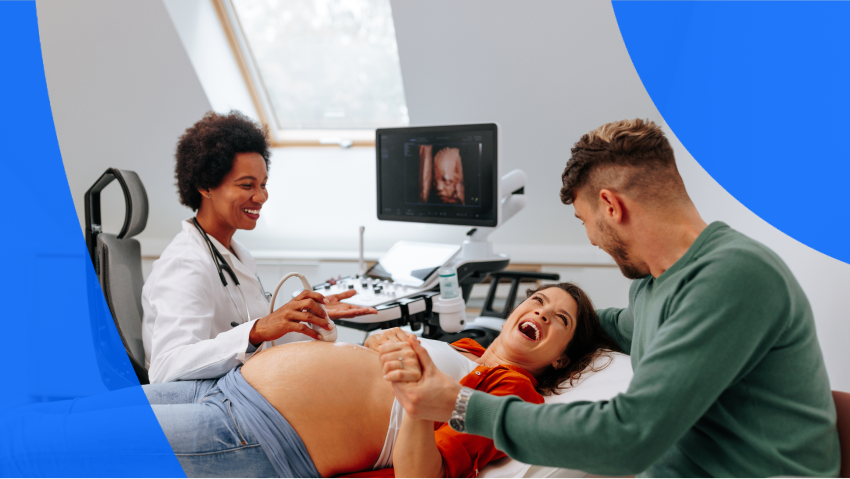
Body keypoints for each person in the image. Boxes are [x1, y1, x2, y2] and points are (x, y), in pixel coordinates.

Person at [382, 119, 841, 478]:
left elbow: (629, 436)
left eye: (585, 221)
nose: (592, 240)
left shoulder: (733, 277)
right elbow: (604, 322)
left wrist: (459, 403)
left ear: (611, 206)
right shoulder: (653, 287)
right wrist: (542, 321)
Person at [0, 283, 619, 479]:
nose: (537, 311)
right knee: (60, 418)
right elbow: (377, 358)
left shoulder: (511, 394)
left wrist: (413, 396)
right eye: (536, 300)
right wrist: (379, 341)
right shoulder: (465, 350)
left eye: (558, 319)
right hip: (225, 386)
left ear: (564, 357)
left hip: (256, 435)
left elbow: (422, 473)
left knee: (47, 448)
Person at [142, 111, 376, 384]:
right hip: (211, 400)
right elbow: (166, 368)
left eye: (263, 184)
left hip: (244, 385)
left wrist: (305, 315)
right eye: (246, 185)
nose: (261, 196)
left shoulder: (237, 253)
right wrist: (256, 329)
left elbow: (261, 331)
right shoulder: (185, 264)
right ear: (205, 186)